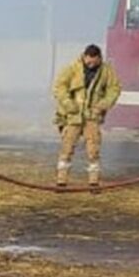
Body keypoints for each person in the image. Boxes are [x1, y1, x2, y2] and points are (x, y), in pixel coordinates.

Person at [51, 45, 121, 188]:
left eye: (94, 63)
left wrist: (103, 104)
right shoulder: (72, 68)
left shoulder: (106, 71)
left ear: (99, 58)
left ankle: (93, 181)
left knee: (93, 149)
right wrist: (67, 103)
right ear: (84, 57)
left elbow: (114, 88)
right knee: (67, 148)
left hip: (92, 117)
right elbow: (59, 86)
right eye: (88, 62)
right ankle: (61, 180)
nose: (91, 65)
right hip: (73, 116)